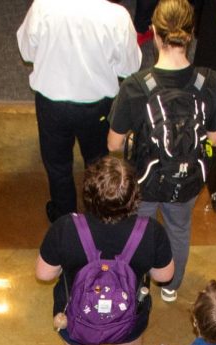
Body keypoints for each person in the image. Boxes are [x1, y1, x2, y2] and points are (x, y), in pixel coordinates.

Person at [36, 156, 174, 345]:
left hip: (75, 315)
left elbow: (44, 274)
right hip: (129, 315)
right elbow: (165, 275)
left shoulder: (66, 228)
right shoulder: (151, 231)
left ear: (88, 195)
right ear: (135, 197)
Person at [108, 0, 216, 303]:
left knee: (138, 231)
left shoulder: (136, 86)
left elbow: (113, 144)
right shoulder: (209, 82)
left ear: (155, 34)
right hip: (186, 181)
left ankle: (136, 284)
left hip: (145, 181)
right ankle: (171, 285)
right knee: (179, 228)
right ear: (191, 33)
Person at [17, 0, 141, 222]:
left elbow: (27, 51)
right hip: (98, 105)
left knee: (57, 166)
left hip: (52, 103)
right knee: (97, 164)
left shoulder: (43, 7)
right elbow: (130, 67)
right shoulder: (117, 17)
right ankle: (97, 217)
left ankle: (66, 220)